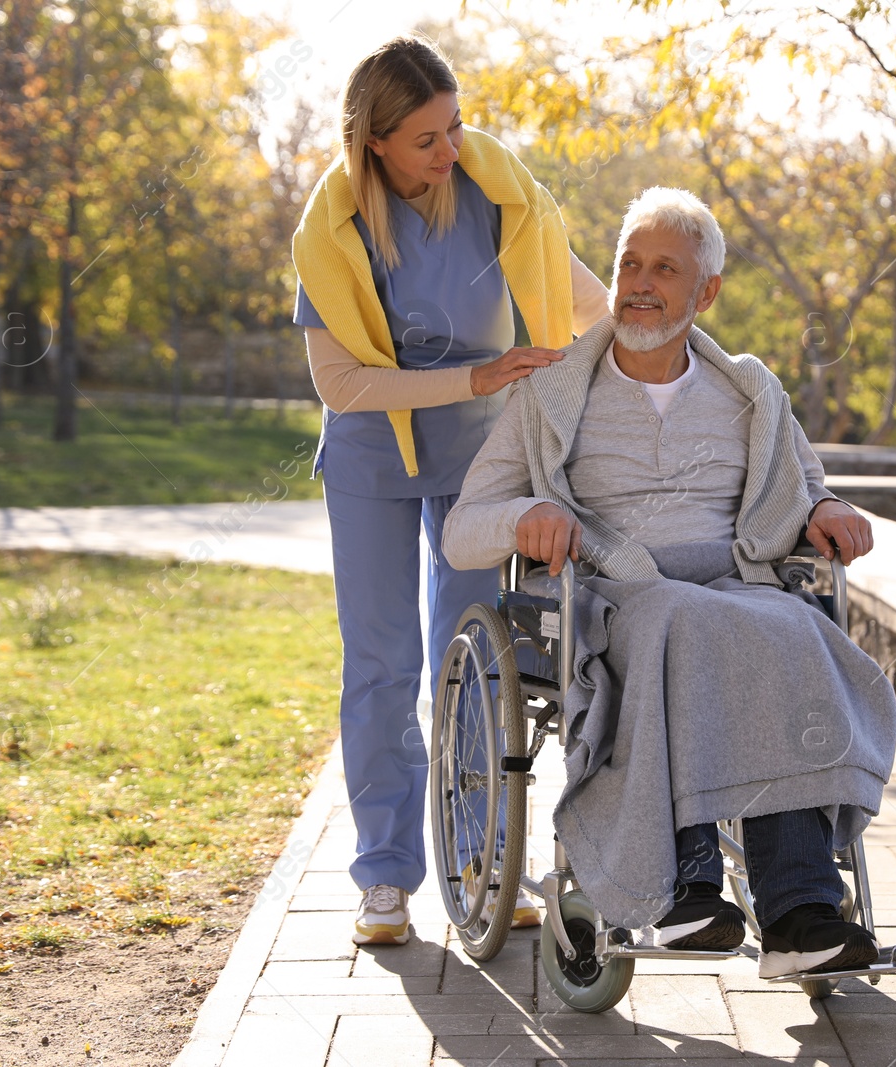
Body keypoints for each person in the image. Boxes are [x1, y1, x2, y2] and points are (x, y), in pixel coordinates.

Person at [441, 187, 896, 978]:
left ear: (706, 291)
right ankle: (686, 888)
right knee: (676, 621)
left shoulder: (751, 392)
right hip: (609, 593)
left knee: (798, 627)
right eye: (628, 263)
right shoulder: (551, 394)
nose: (640, 282)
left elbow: (803, 488)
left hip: (735, 583)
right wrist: (525, 517)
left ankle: (801, 912)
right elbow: (461, 530)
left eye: (664, 267)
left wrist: (826, 507)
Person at [290, 35, 609, 947]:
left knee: (475, 659)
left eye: (455, 126)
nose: (449, 149)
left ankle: (485, 864)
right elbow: (342, 384)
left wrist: (675, 325)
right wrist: (476, 378)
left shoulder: (496, 193)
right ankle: (385, 878)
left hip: (480, 459)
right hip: (370, 459)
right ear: (376, 143)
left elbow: (585, 304)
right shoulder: (332, 227)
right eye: (426, 138)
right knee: (382, 666)